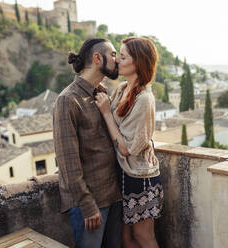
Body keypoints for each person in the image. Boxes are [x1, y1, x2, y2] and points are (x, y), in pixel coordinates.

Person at [53, 38, 122, 248]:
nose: (117, 59)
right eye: (112, 54)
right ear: (97, 58)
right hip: (90, 205)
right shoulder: (67, 100)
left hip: (113, 195)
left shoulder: (102, 93)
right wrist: (87, 205)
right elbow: (68, 162)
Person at [95, 37, 163, 248]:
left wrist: (106, 113)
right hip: (125, 175)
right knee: (126, 239)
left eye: (122, 57)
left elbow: (127, 149)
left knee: (144, 237)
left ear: (138, 63)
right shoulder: (123, 89)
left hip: (140, 177)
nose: (117, 61)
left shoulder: (144, 98)